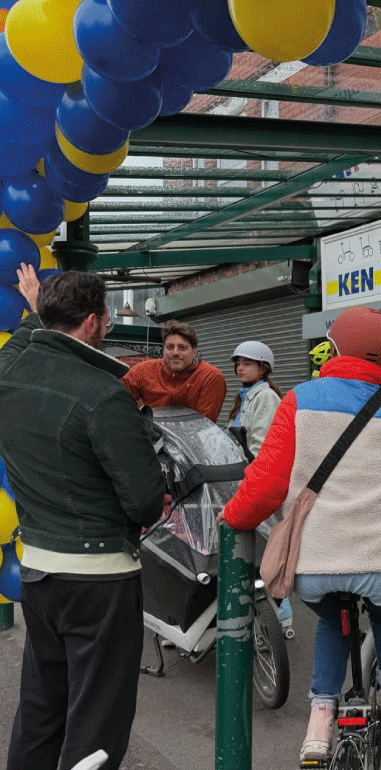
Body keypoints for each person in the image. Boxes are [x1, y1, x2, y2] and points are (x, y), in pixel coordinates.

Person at [221, 306, 381, 763]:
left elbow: (264, 489)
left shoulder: (299, 400)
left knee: (331, 620)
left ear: (336, 347)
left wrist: (231, 518)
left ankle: (319, 721)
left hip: (316, 567)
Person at [1, 265, 165, 770]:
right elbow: (143, 501)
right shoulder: (102, 394)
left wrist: (34, 310)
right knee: (97, 723)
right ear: (93, 323)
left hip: (39, 572)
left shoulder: (8, 377)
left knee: (40, 710)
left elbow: (14, 350)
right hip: (100, 579)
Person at [227, 341, 294, 634]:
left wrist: (246, 482)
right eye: (238, 363)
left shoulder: (265, 398)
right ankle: (270, 611)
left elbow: (262, 449)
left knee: (266, 549)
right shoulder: (245, 397)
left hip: (257, 483)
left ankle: (281, 611)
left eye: (247, 363)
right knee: (258, 548)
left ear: (263, 368)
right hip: (244, 480)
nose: (240, 368)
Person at [122, 319, 226, 423]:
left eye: (182, 348)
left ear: (194, 352)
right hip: (151, 435)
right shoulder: (144, 370)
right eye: (170, 347)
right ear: (163, 350)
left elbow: (204, 425)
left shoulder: (210, 377)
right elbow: (117, 397)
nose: (175, 352)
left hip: (191, 437)